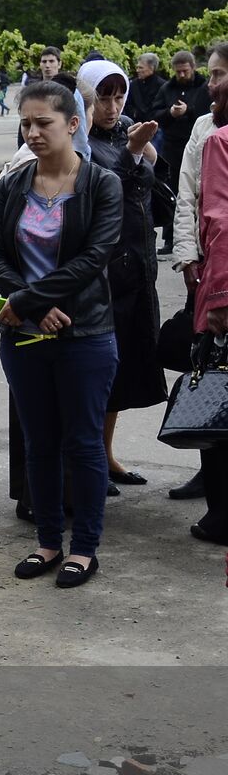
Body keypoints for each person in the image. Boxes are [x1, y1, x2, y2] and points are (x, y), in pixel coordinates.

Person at [0, 80, 123, 588]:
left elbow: (94, 258)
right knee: (39, 443)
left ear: (72, 124)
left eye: (44, 122)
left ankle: (84, 548)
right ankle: (47, 542)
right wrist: (28, 306)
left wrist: (25, 301)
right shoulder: (15, 181)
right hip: (23, 335)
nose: (33, 131)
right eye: (27, 122)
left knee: (83, 443)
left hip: (84, 333)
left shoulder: (100, 184)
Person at [79, 60, 167, 489]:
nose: (112, 106)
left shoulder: (127, 128)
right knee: (99, 370)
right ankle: (92, 458)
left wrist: (144, 150)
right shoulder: (78, 140)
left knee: (125, 368)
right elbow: (102, 189)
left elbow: (154, 180)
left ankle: (107, 453)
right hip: (102, 277)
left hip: (137, 268)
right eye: (103, 97)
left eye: (118, 95)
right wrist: (134, 152)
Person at [170, 43, 228, 511]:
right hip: (209, 275)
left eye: (218, 75)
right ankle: (209, 474)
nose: (210, 84)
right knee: (208, 374)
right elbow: (187, 195)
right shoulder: (204, 127)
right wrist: (188, 256)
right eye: (208, 75)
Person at [190, 93, 228, 543]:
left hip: (224, 291)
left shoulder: (220, 142)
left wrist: (218, 296)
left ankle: (221, 516)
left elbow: (219, 219)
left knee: (219, 407)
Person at [154, 51, 212, 255]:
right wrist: (170, 113)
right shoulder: (167, 88)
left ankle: (201, 238)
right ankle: (170, 238)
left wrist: (188, 111)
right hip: (172, 146)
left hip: (198, 144)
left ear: (193, 67)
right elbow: (155, 114)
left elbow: (209, 114)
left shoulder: (204, 87)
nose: (181, 75)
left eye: (185, 71)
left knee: (198, 191)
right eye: (178, 71)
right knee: (173, 192)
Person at [126, 53, 166, 125]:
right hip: (135, 125)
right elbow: (128, 104)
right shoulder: (133, 84)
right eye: (137, 67)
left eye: (141, 68)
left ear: (152, 68)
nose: (137, 70)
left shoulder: (162, 86)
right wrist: (134, 114)